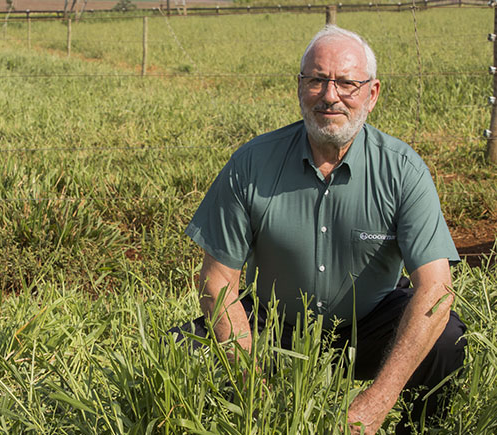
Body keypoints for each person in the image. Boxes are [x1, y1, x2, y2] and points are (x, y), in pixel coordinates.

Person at [171, 25, 467, 434]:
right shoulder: (252, 164)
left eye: (347, 83)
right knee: (181, 351)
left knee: (445, 337)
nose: (330, 96)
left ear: (372, 93)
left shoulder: (403, 170)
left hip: (370, 326)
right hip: (276, 327)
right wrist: (254, 386)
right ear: (299, 87)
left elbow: (436, 291)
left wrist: (377, 401)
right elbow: (217, 280)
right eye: (316, 80)